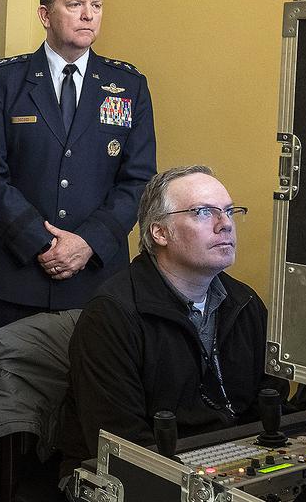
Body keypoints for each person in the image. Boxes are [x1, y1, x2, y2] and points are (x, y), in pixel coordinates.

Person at [60, 165, 287, 477]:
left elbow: (271, 403)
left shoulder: (245, 303)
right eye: (204, 212)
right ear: (160, 232)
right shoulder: (111, 316)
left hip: (237, 469)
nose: (225, 225)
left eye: (230, 211)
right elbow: (119, 444)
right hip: (147, 477)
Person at [0, 0, 156, 335]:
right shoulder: (4, 81)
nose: (89, 14)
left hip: (97, 277)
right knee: (11, 387)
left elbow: (138, 180)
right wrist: (41, 242)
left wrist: (88, 242)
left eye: (97, 5)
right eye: (75, 4)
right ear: (45, 15)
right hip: (17, 274)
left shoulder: (128, 85)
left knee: (92, 389)